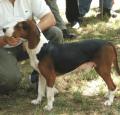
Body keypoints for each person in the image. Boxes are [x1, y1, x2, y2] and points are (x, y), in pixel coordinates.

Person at [0, 0, 63, 93]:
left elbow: (50, 18)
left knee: (55, 33)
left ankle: (37, 79)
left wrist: (32, 35)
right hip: (3, 47)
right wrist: (4, 40)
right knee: (9, 81)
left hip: (29, 41)